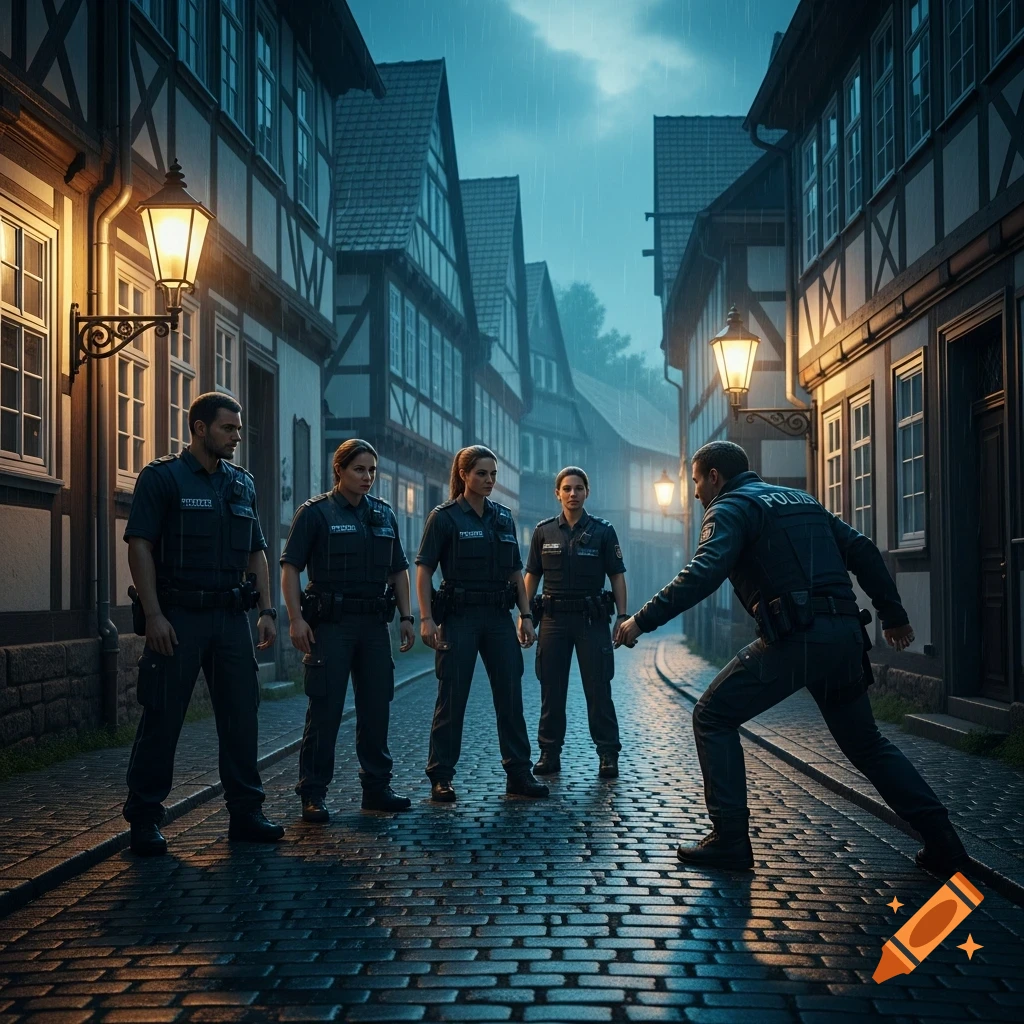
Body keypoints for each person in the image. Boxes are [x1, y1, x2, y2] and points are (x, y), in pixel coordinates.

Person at [616, 440, 970, 875]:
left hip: (795, 637)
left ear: (714, 477)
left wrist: (641, 621)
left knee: (712, 715)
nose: (693, 494)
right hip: (844, 636)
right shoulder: (803, 500)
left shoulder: (730, 507)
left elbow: (702, 573)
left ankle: (729, 840)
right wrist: (892, 616)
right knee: (866, 744)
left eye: (695, 482)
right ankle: (945, 842)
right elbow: (861, 549)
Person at [122, 392, 284, 856]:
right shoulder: (162, 478)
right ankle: (145, 818)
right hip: (179, 617)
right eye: (228, 429)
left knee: (241, 717)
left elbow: (257, 552)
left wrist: (267, 611)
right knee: (163, 716)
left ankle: (246, 813)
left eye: (238, 428)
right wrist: (153, 615)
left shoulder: (241, 484)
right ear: (199, 428)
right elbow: (139, 546)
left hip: (232, 618)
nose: (237, 436)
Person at [281, 439, 416, 822]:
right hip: (331, 627)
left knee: (377, 708)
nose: (368, 477)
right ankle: (313, 793)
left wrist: (406, 617)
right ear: (339, 470)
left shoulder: (383, 514)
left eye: (372, 470)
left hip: (375, 626)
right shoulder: (315, 513)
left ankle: (376, 789)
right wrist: (295, 618)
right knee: (325, 711)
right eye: (360, 469)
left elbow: (398, 570)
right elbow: (290, 567)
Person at [416, 445, 548, 802]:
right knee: (452, 698)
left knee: (510, 696)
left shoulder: (503, 517)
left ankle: (519, 773)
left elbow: (514, 572)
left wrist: (526, 615)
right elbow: (424, 569)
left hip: (498, 619)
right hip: (458, 618)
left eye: (493, 475)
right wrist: (426, 618)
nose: (489, 481)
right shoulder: (443, 518)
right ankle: (441, 776)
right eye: (481, 474)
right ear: (464, 475)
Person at [523, 466, 627, 778]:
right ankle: (548, 754)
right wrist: (525, 615)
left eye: (578, 488)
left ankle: (608, 754)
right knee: (551, 691)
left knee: (598, 690)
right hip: (552, 620)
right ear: (557, 493)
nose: (572, 494)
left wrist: (622, 617)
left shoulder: (603, 531)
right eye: (567, 489)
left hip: (590, 620)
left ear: (587, 492)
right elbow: (531, 577)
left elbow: (617, 577)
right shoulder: (543, 531)